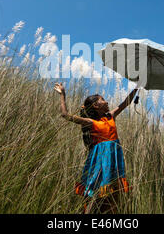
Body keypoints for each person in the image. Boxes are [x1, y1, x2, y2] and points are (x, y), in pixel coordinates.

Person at [54, 82, 138, 213]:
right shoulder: (91, 122)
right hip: (99, 162)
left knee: (113, 195)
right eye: (103, 100)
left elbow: (125, 103)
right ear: (96, 105)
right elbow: (65, 115)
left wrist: (137, 87)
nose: (106, 102)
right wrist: (63, 95)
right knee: (95, 193)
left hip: (113, 161)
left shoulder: (110, 116)